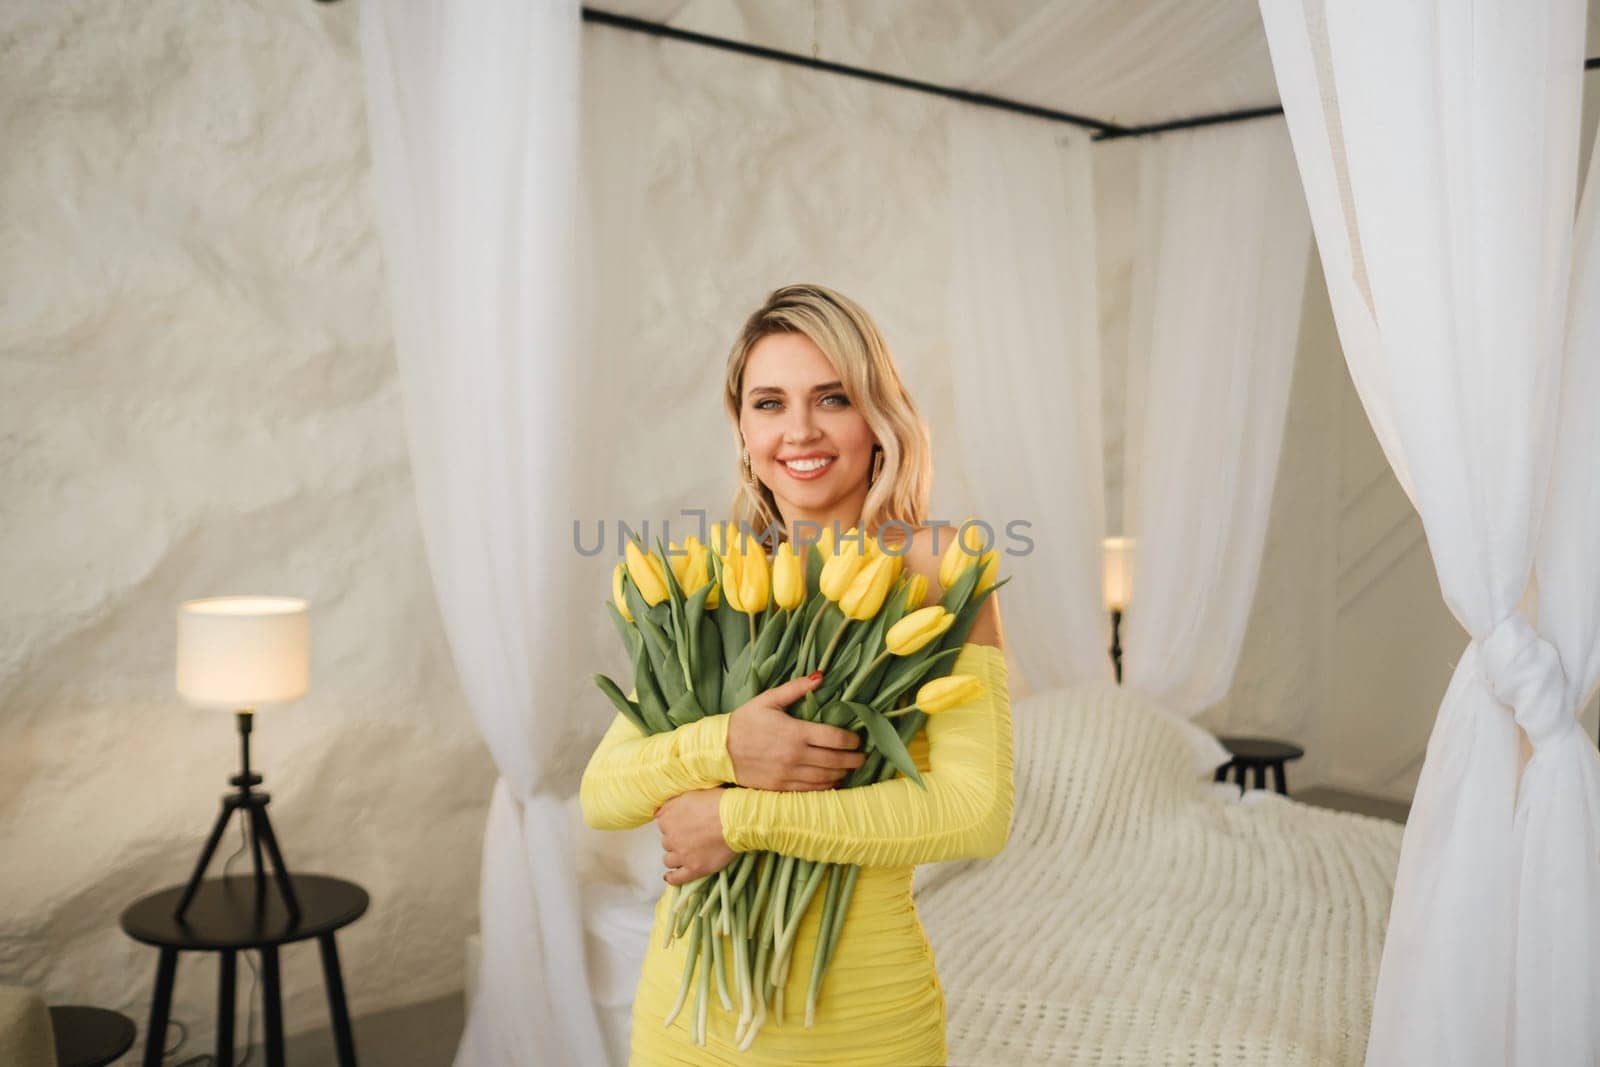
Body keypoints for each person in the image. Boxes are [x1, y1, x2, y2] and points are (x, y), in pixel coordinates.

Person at [579, 283, 1014, 1065]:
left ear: (877, 416)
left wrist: (738, 818)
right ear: (742, 429)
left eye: (832, 397)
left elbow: (974, 812)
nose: (800, 431)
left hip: (865, 1028)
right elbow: (604, 793)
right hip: (689, 1027)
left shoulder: (942, 567)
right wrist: (726, 746)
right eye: (769, 403)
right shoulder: (708, 580)